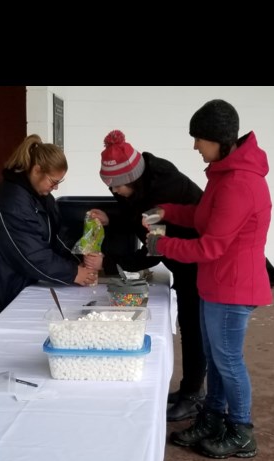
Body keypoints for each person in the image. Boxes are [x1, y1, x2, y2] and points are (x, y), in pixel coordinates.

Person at [143, 99, 272, 459]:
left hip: (233, 287)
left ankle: (242, 430)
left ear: (220, 140)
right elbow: (202, 215)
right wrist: (166, 210)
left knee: (228, 360)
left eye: (199, 138)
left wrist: (161, 243)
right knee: (217, 359)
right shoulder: (223, 175)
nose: (195, 145)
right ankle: (213, 418)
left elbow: (211, 246)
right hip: (216, 285)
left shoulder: (239, 183)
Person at [88, 130, 206, 421]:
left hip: (198, 260)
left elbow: (153, 250)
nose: (114, 193)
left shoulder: (163, 189)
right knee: (190, 325)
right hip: (180, 255)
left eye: (117, 188)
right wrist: (111, 218)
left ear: (132, 179)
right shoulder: (141, 180)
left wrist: (109, 261)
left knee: (194, 327)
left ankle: (193, 395)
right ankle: (190, 389)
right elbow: (135, 213)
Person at [0, 134, 99, 343]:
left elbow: (57, 236)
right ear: (36, 170)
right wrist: (73, 273)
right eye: (53, 181)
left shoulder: (42, 197)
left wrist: (81, 260)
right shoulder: (11, 199)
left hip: (11, 289)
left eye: (59, 182)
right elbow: (31, 255)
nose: (56, 188)